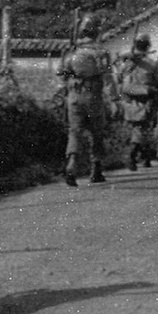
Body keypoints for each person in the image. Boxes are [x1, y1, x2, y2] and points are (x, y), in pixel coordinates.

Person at [56, 13, 114, 187]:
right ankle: (96, 169)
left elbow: (61, 75)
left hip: (74, 96)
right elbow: (108, 78)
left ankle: (71, 164)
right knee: (97, 134)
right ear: (96, 31)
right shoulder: (102, 52)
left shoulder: (71, 51)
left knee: (75, 132)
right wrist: (114, 99)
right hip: (94, 97)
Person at [117, 34, 158, 170]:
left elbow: (119, 80)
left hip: (128, 100)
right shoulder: (152, 65)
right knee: (142, 128)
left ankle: (145, 157)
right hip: (145, 100)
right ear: (147, 46)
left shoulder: (125, 64)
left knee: (139, 129)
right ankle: (132, 154)